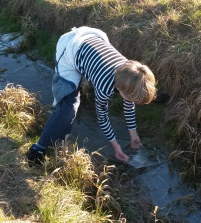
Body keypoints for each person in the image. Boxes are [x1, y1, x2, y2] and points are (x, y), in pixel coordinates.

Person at [27, 26, 156, 166]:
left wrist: (133, 135)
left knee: (90, 84)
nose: (133, 103)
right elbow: (102, 117)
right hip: (70, 47)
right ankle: (38, 149)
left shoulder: (131, 72)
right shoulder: (104, 85)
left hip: (94, 37)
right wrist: (115, 145)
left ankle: (84, 74)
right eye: (132, 100)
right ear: (119, 88)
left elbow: (129, 104)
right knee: (69, 107)